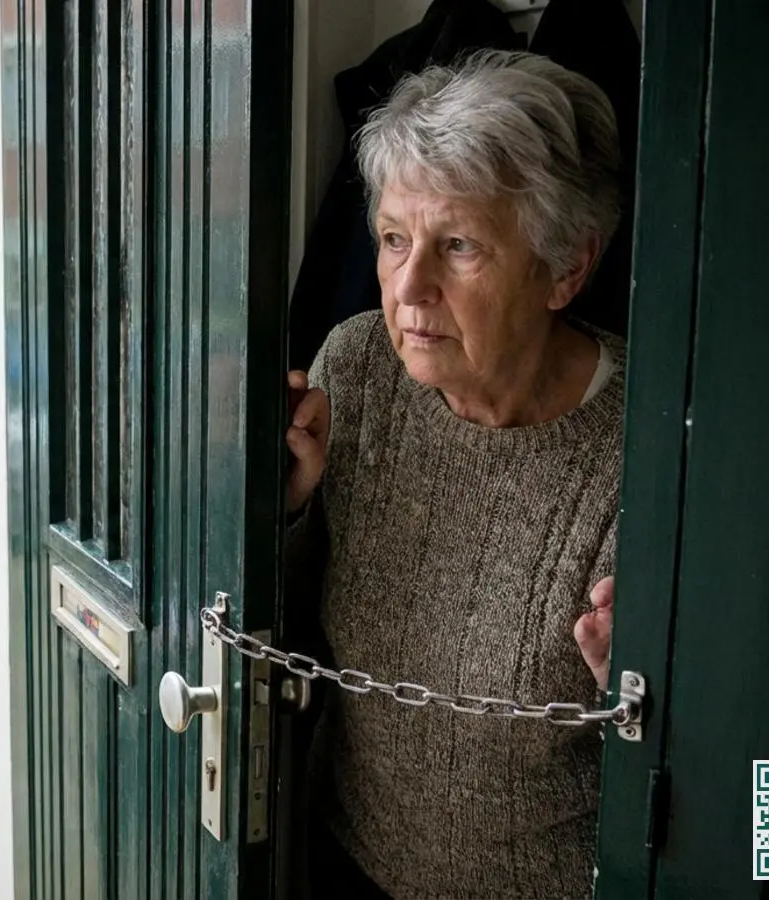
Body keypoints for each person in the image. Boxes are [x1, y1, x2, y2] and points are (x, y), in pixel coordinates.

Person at [284, 49, 623, 899]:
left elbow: (762, 780)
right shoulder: (356, 367)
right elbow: (273, 633)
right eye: (395, 240)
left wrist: (658, 697)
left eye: (460, 245)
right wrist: (283, 507)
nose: (408, 288)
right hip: (345, 861)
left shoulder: (655, 446)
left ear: (567, 269)